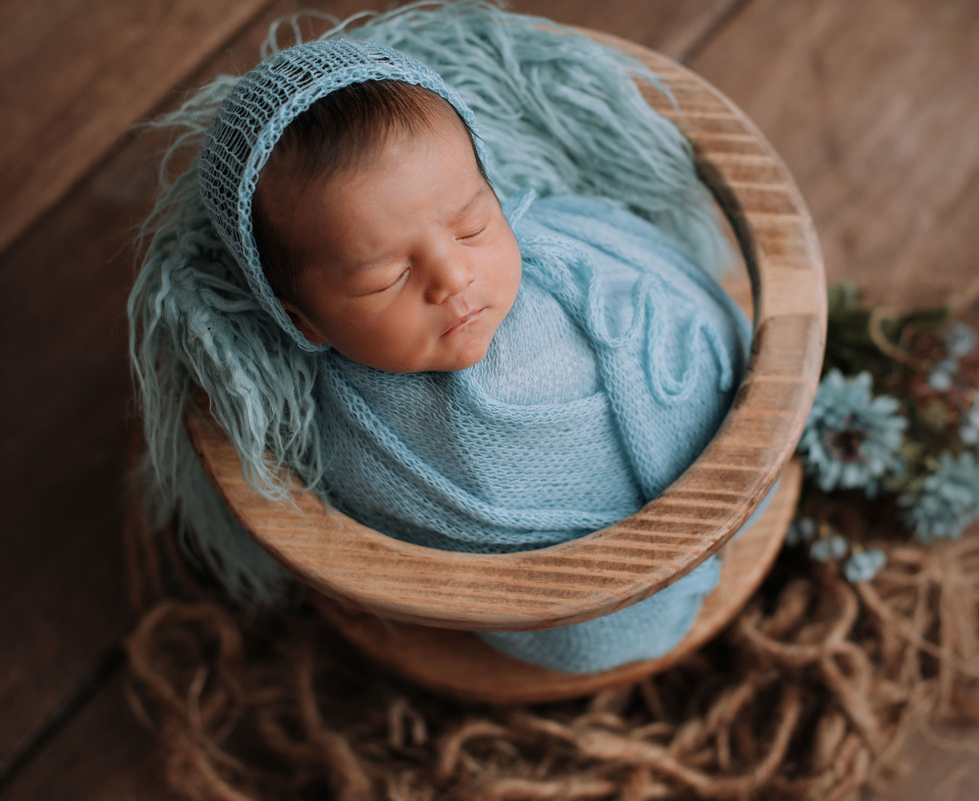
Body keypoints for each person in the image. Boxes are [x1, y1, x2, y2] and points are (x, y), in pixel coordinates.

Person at [138, 12, 755, 673]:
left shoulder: (582, 248)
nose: (453, 275)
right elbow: (409, 566)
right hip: (577, 601)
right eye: (386, 278)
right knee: (582, 638)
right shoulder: (352, 435)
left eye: (471, 225)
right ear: (306, 321)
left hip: (729, 475)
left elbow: (690, 304)